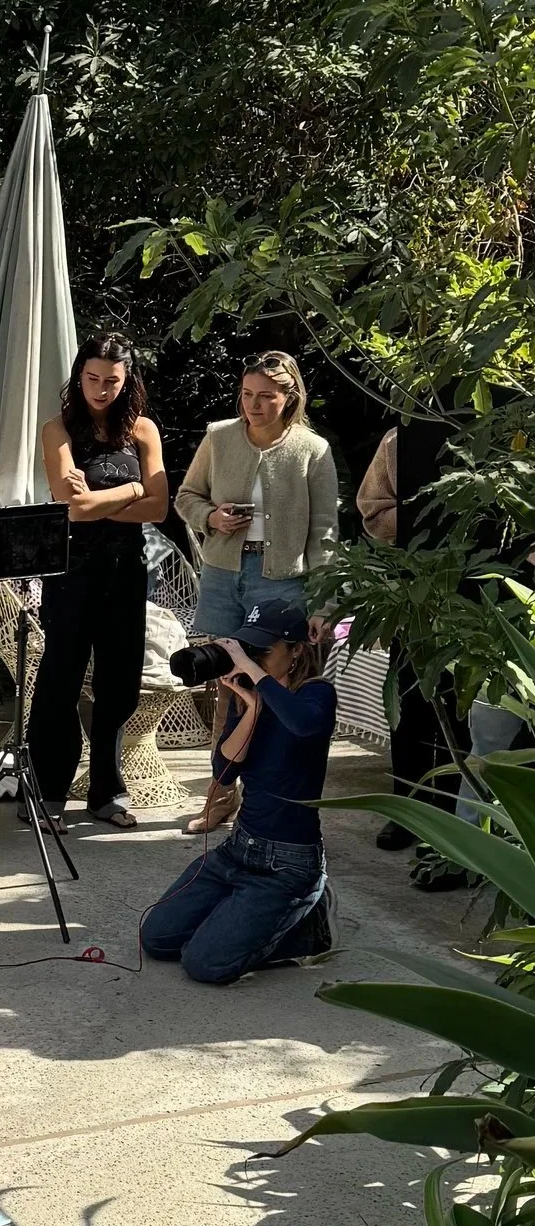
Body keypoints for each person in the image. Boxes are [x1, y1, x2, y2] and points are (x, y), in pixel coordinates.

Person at [140, 595, 337, 983]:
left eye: (262, 651)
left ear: (295, 650)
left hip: (288, 863)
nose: (252, 659)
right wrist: (250, 710)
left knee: (205, 965)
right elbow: (224, 771)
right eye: (249, 648)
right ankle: (241, 915)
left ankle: (309, 923)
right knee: (158, 938)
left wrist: (257, 676)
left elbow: (302, 725)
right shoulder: (251, 694)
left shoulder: (317, 694)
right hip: (239, 849)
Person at [31, 333, 170, 828]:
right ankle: (48, 790)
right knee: (59, 679)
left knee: (120, 684)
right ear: (79, 375)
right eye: (92, 378)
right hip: (71, 572)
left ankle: (106, 790)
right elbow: (76, 510)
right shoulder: (59, 430)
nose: (100, 389)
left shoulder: (144, 431)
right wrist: (134, 487)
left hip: (127, 573)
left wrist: (107, 498)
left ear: (127, 378)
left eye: (111, 380)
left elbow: (160, 507)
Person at [356, 420, 471, 884]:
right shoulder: (400, 438)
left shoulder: (505, 435)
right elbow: (370, 508)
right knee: (410, 702)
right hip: (414, 587)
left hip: (476, 591)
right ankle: (405, 809)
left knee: (461, 709)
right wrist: (423, 520)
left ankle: (449, 816)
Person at [176, 352, 337, 640]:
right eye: (247, 393)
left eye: (265, 396)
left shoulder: (312, 448)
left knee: (271, 671)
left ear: (290, 396)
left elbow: (324, 530)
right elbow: (187, 496)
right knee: (221, 668)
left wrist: (324, 606)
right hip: (220, 574)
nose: (253, 404)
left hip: (281, 580)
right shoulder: (219, 436)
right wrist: (211, 517)